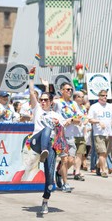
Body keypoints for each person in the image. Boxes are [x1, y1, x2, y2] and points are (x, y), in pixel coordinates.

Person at [28, 73, 65, 213]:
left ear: (51, 102)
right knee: (47, 128)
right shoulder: (37, 110)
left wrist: (59, 124)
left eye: (45, 100)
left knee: (49, 177)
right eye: (41, 100)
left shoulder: (56, 115)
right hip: (36, 141)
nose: (42, 102)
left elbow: (63, 129)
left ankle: (45, 200)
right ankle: (43, 150)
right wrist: (31, 77)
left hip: (50, 147)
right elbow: (32, 92)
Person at [54, 82, 81, 192]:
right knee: (64, 160)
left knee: (71, 160)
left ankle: (59, 172)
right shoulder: (57, 103)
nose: (69, 91)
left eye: (70, 89)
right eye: (67, 89)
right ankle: (65, 183)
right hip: (60, 135)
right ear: (61, 91)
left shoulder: (74, 104)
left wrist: (71, 120)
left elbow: (79, 120)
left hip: (70, 136)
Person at [87, 90, 112, 178]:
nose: (105, 97)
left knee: (106, 153)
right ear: (99, 96)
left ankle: (98, 166)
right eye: (102, 95)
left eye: (106, 95)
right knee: (102, 152)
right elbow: (89, 119)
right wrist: (98, 121)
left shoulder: (110, 106)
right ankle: (103, 170)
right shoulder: (94, 107)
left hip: (109, 133)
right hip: (98, 133)